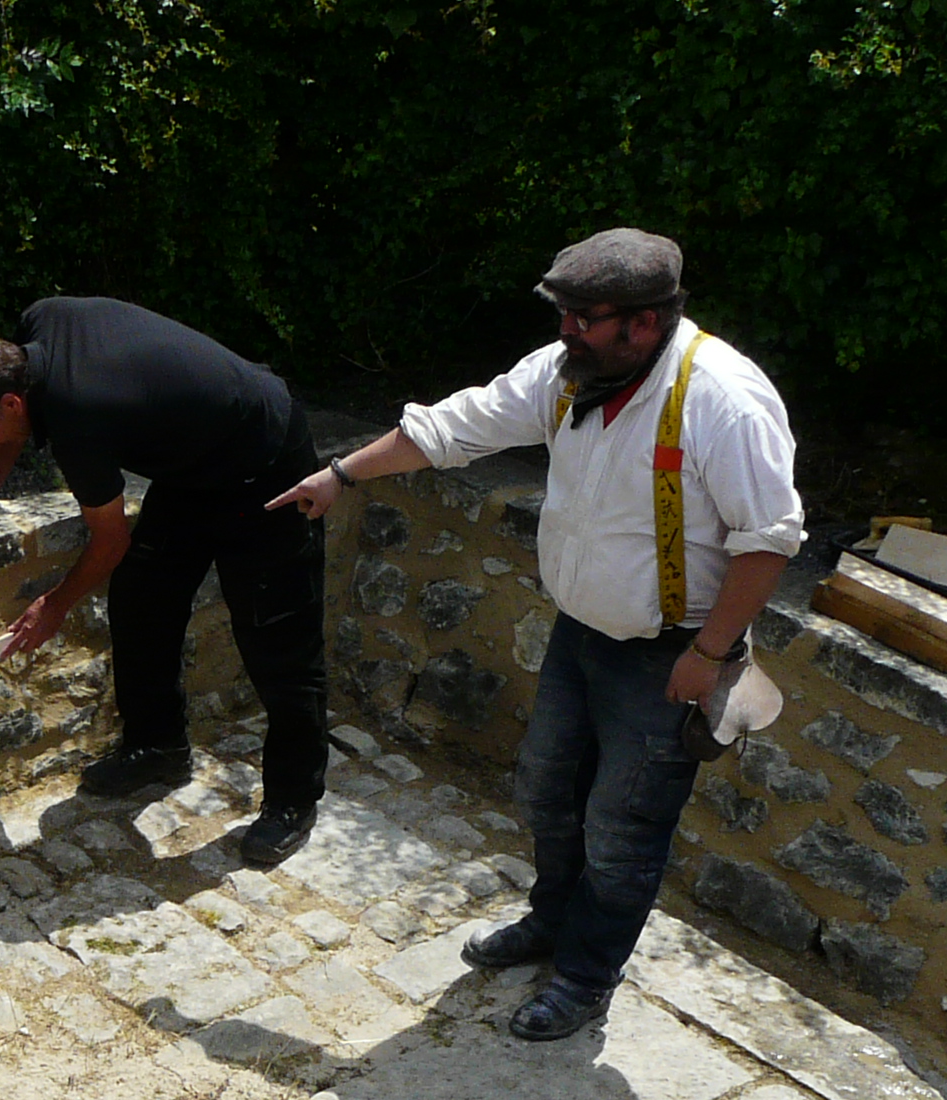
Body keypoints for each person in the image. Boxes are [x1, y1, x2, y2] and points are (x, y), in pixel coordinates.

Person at [271, 229, 803, 1040]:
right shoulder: (569, 373)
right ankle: (551, 924)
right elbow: (455, 427)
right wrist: (341, 474)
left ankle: (586, 978)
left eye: (583, 317)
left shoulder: (722, 399)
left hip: (671, 655)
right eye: (564, 315)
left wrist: (709, 654)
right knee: (547, 795)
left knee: (622, 829)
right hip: (581, 636)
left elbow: (768, 539)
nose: (566, 332)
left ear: (644, 323)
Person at [0, 297, 329, 864]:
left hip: (268, 462)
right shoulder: (38, 329)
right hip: (193, 466)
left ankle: (294, 801)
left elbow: (109, 540)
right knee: (141, 598)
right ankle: (158, 747)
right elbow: (5, 436)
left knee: (276, 637)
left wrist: (53, 605)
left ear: (11, 399)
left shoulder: (79, 416)